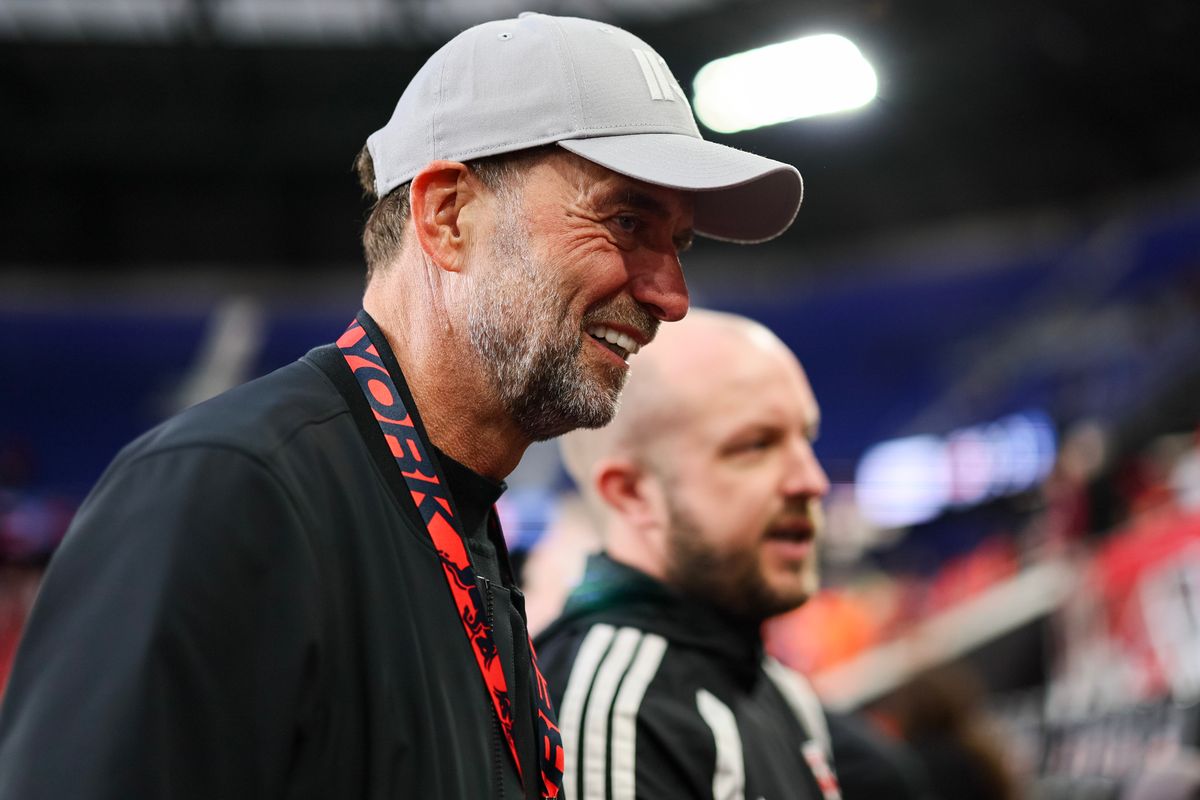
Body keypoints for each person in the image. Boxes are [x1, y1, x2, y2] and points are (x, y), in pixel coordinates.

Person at [0, 13, 803, 800]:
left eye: (677, 243)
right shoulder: (228, 491)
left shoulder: (457, 527)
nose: (671, 296)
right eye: (625, 221)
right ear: (447, 216)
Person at [536, 309, 928, 800]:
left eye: (805, 439)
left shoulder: (777, 687)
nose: (811, 481)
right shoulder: (613, 714)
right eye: (756, 446)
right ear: (632, 493)